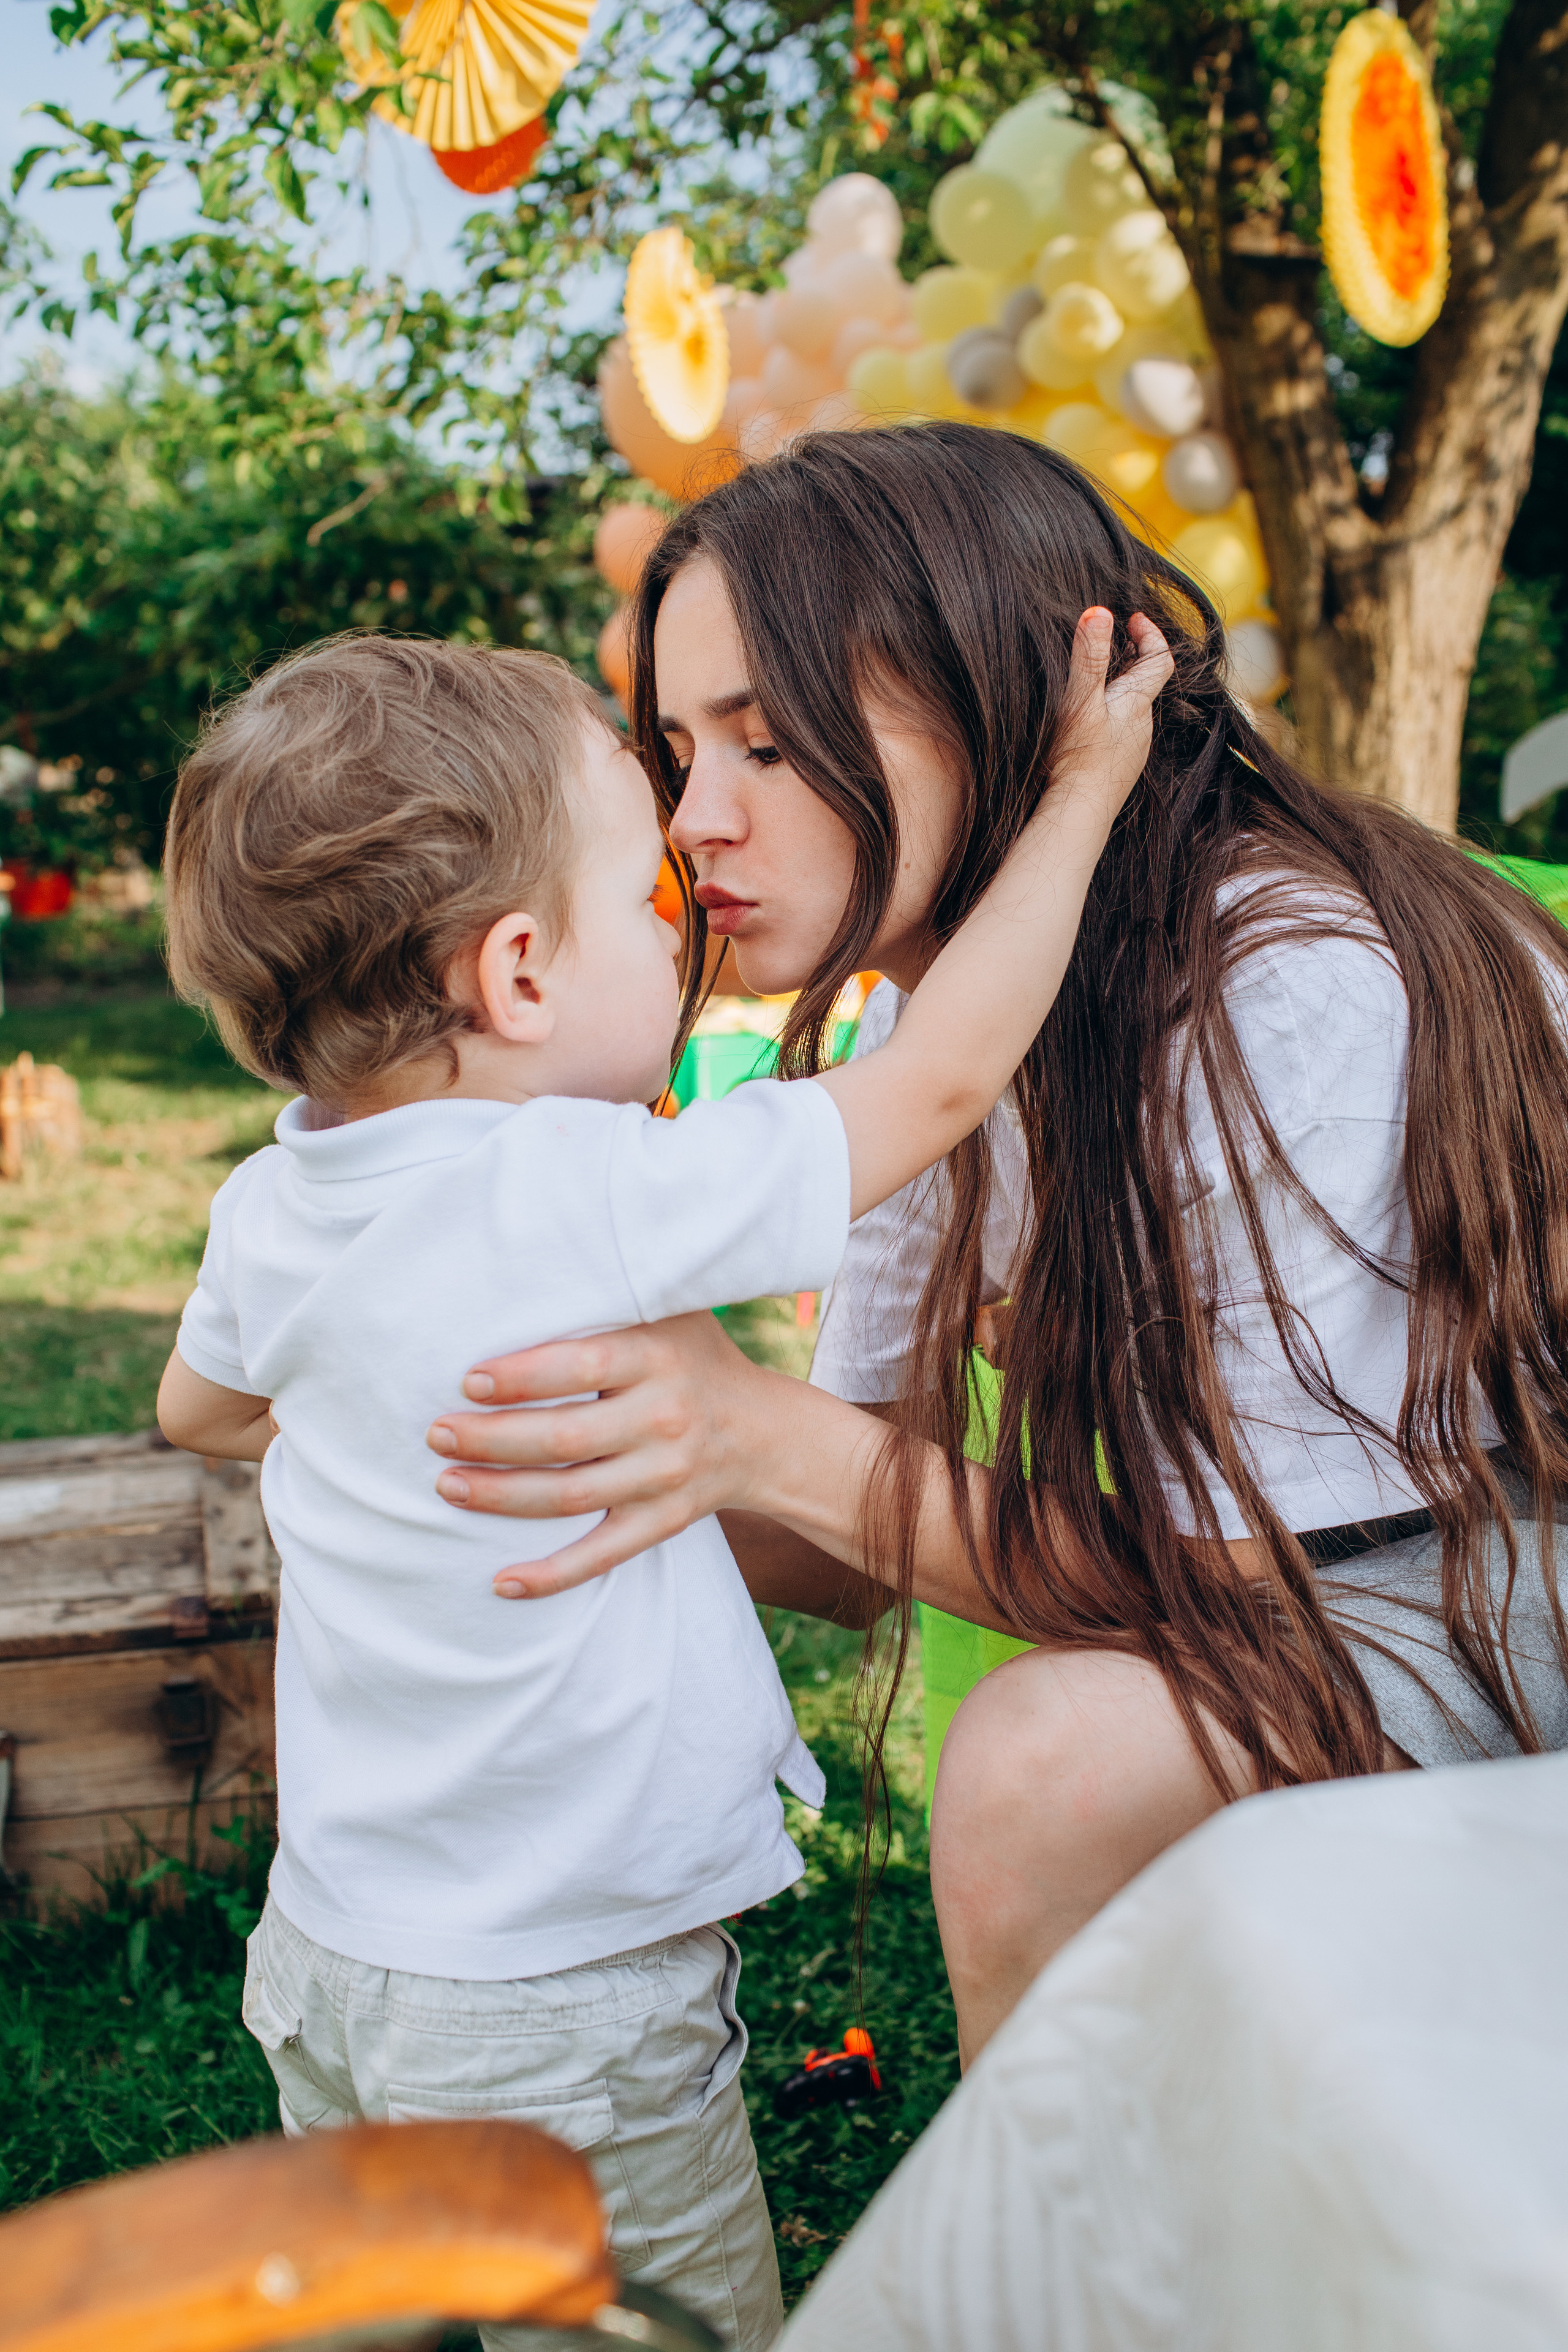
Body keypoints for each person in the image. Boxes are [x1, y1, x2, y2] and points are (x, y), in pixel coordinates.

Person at [419, 422, 1568, 2072]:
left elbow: (1233, 1597)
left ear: (1002, 700)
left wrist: (755, 1432)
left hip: (1494, 1574)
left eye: (767, 744)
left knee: (1052, 1757)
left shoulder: (1274, 980)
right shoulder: (932, 1021)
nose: (693, 823)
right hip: (1326, 1585)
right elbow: (843, 1535)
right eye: (679, 753)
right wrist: (519, 1439)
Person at [153, 616, 1167, 2346]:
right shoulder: (577, 1184)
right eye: (648, 904)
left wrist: (375, 1423)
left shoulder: (278, 1202)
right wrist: (1083, 792)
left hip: (335, 1958)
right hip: (562, 2006)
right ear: (523, 974)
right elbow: (939, 1077)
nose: (682, 918)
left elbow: (199, 1413)